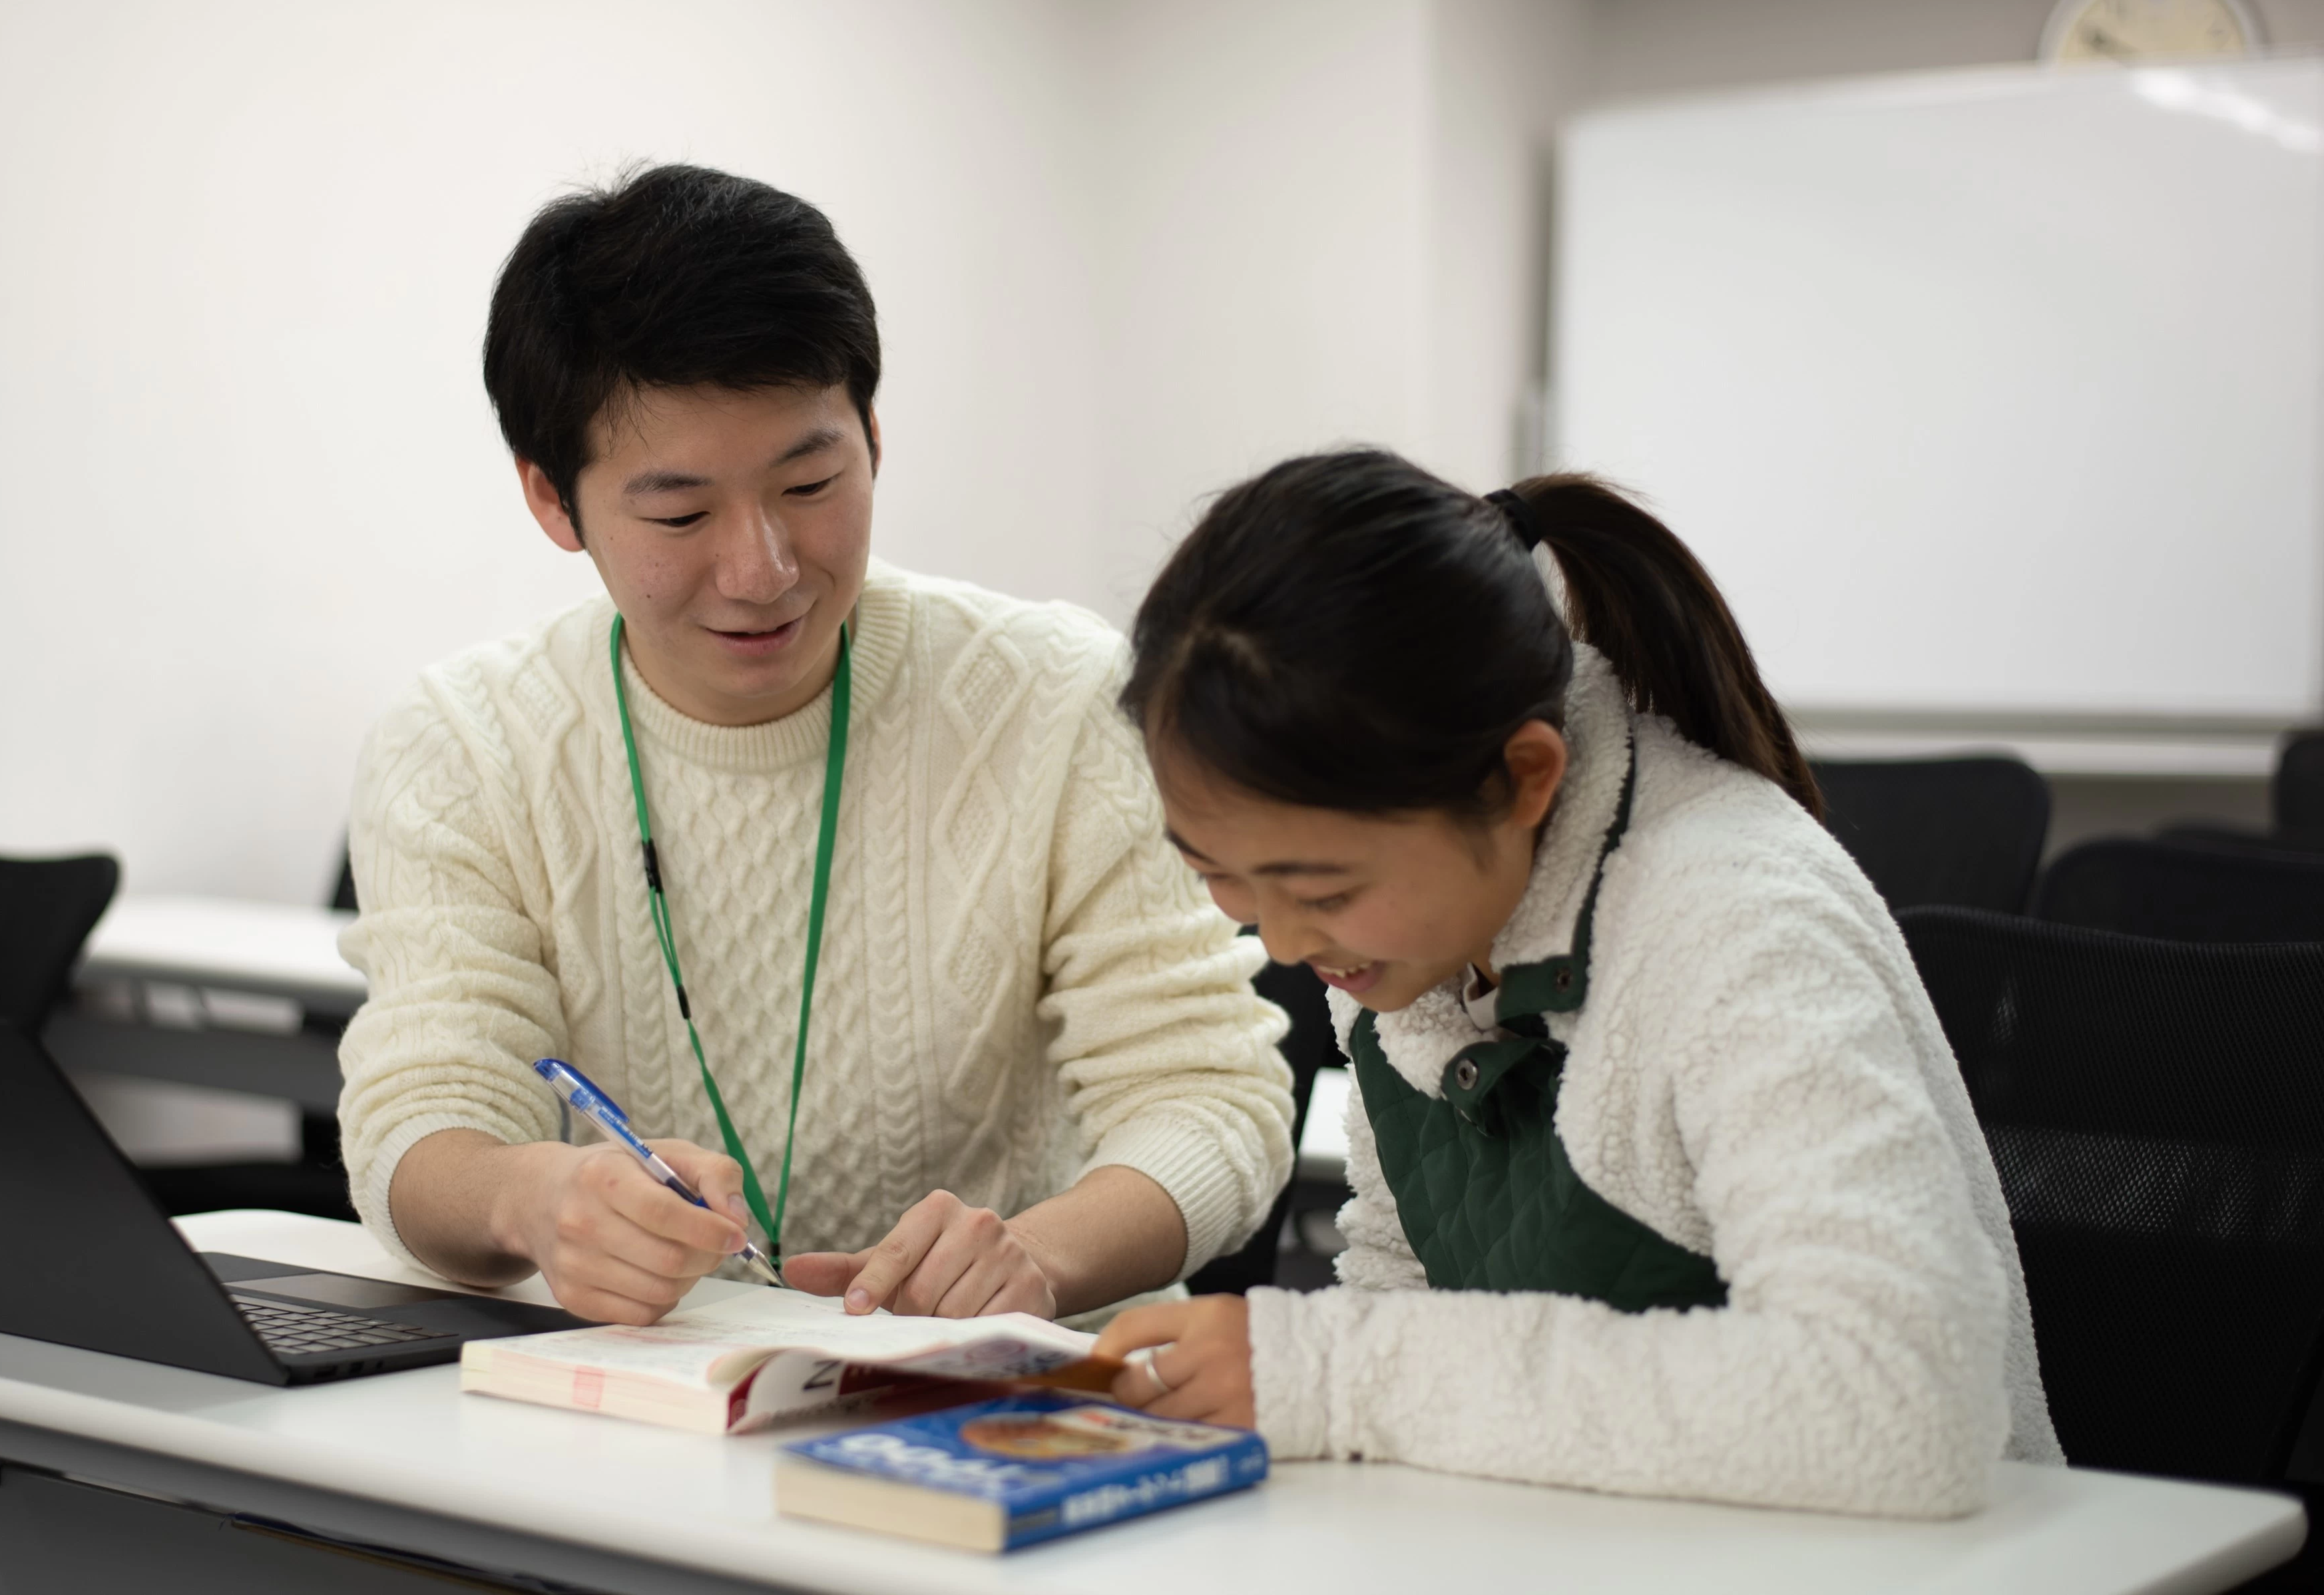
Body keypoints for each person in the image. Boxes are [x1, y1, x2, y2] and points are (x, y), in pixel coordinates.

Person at [334, 164, 1292, 1327]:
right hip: (644, 1395)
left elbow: (1213, 1095)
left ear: (873, 437)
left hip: (1000, 1392)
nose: (764, 568)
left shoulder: (1058, 697)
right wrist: (533, 1198)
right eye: (681, 515)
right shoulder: (463, 748)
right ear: (551, 498)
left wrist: (1038, 1257)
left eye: (810, 480)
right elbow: (417, 1117)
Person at [1091, 449, 2059, 1517]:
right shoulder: (1401, 932)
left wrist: (1334, 1372)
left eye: (1318, 883)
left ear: (1524, 777)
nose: (1277, 933)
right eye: (1218, 872)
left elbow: (1903, 1403)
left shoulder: (1734, 922)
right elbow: (1403, 1283)